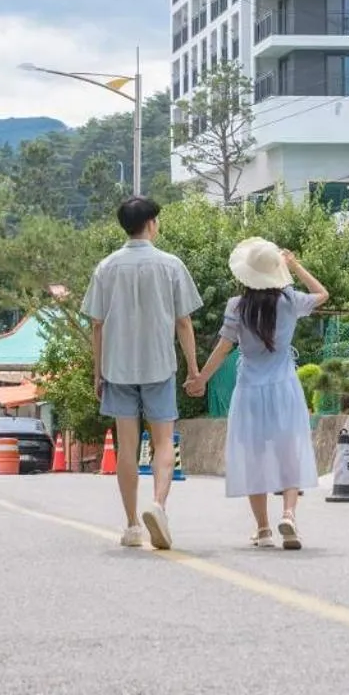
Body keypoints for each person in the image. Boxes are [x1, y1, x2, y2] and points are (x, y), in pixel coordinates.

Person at [186, 238, 329, 550]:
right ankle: (289, 515)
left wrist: (200, 379)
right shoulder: (290, 301)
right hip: (284, 388)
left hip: (250, 390)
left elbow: (223, 348)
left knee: (254, 456)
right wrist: (295, 266)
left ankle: (263, 529)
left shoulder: (237, 307)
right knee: (288, 452)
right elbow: (322, 294)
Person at [82, 195, 201, 549]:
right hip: (159, 364)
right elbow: (183, 321)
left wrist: (98, 373)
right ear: (151, 224)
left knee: (127, 446)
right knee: (163, 441)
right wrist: (193, 368)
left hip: (117, 367)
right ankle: (158, 506)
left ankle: (133, 524)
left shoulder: (106, 267)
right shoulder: (171, 265)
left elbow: (97, 325)